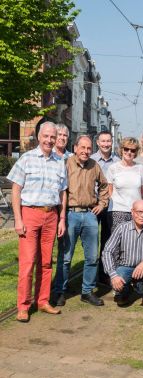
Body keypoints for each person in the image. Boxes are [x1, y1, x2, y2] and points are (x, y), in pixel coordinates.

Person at [7, 121, 67, 322]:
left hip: (51, 215)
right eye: (46, 136)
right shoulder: (27, 159)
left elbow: (63, 192)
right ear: (38, 137)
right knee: (28, 262)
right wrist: (18, 218)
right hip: (30, 213)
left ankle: (42, 301)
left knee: (46, 262)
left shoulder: (60, 162)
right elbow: (16, 189)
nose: (49, 140)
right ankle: (23, 306)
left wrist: (62, 218)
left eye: (53, 137)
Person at [54, 135, 109, 307]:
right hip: (70, 214)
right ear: (75, 147)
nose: (86, 151)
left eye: (88, 148)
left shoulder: (94, 165)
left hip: (90, 215)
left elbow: (104, 186)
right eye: (83, 148)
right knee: (65, 257)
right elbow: (58, 187)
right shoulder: (66, 164)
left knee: (92, 256)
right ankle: (59, 291)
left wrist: (102, 203)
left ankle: (87, 291)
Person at [102, 200, 143, 310]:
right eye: (139, 211)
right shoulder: (121, 228)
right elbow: (107, 251)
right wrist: (113, 275)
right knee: (118, 281)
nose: (142, 215)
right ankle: (124, 293)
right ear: (132, 212)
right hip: (125, 267)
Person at [91, 131, 120, 285]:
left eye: (108, 141)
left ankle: (104, 274)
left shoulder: (118, 160)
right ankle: (90, 275)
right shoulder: (92, 160)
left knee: (108, 241)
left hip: (111, 206)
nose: (106, 144)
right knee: (92, 242)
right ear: (98, 143)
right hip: (94, 206)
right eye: (103, 141)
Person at [107, 137, 143, 232]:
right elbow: (110, 191)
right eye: (126, 149)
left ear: (136, 153)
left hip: (136, 212)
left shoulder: (140, 168)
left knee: (135, 242)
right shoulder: (113, 168)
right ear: (122, 150)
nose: (129, 152)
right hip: (117, 210)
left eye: (132, 150)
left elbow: (142, 192)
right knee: (118, 242)